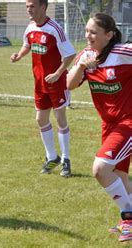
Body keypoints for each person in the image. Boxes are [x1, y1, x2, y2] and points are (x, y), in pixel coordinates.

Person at [67, 13, 132, 242]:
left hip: (128, 123)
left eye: (93, 32)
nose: (88, 35)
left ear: (109, 35)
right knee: (119, 176)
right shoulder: (86, 55)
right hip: (109, 125)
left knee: (100, 169)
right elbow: (70, 84)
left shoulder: (123, 53)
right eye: (86, 31)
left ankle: (128, 217)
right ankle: (129, 221)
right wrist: (81, 66)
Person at [10, 0, 75, 177]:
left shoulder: (55, 29)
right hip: (39, 83)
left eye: (32, 6)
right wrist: (19, 55)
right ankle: (52, 156)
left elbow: (70, 54)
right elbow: (27, 45)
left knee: (60, 118)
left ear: (43, 7)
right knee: (40, 119)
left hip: (57, 82)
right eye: (27, 7)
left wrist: (57, 73)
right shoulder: (30, 27)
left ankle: (66, 160)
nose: (28, 10)